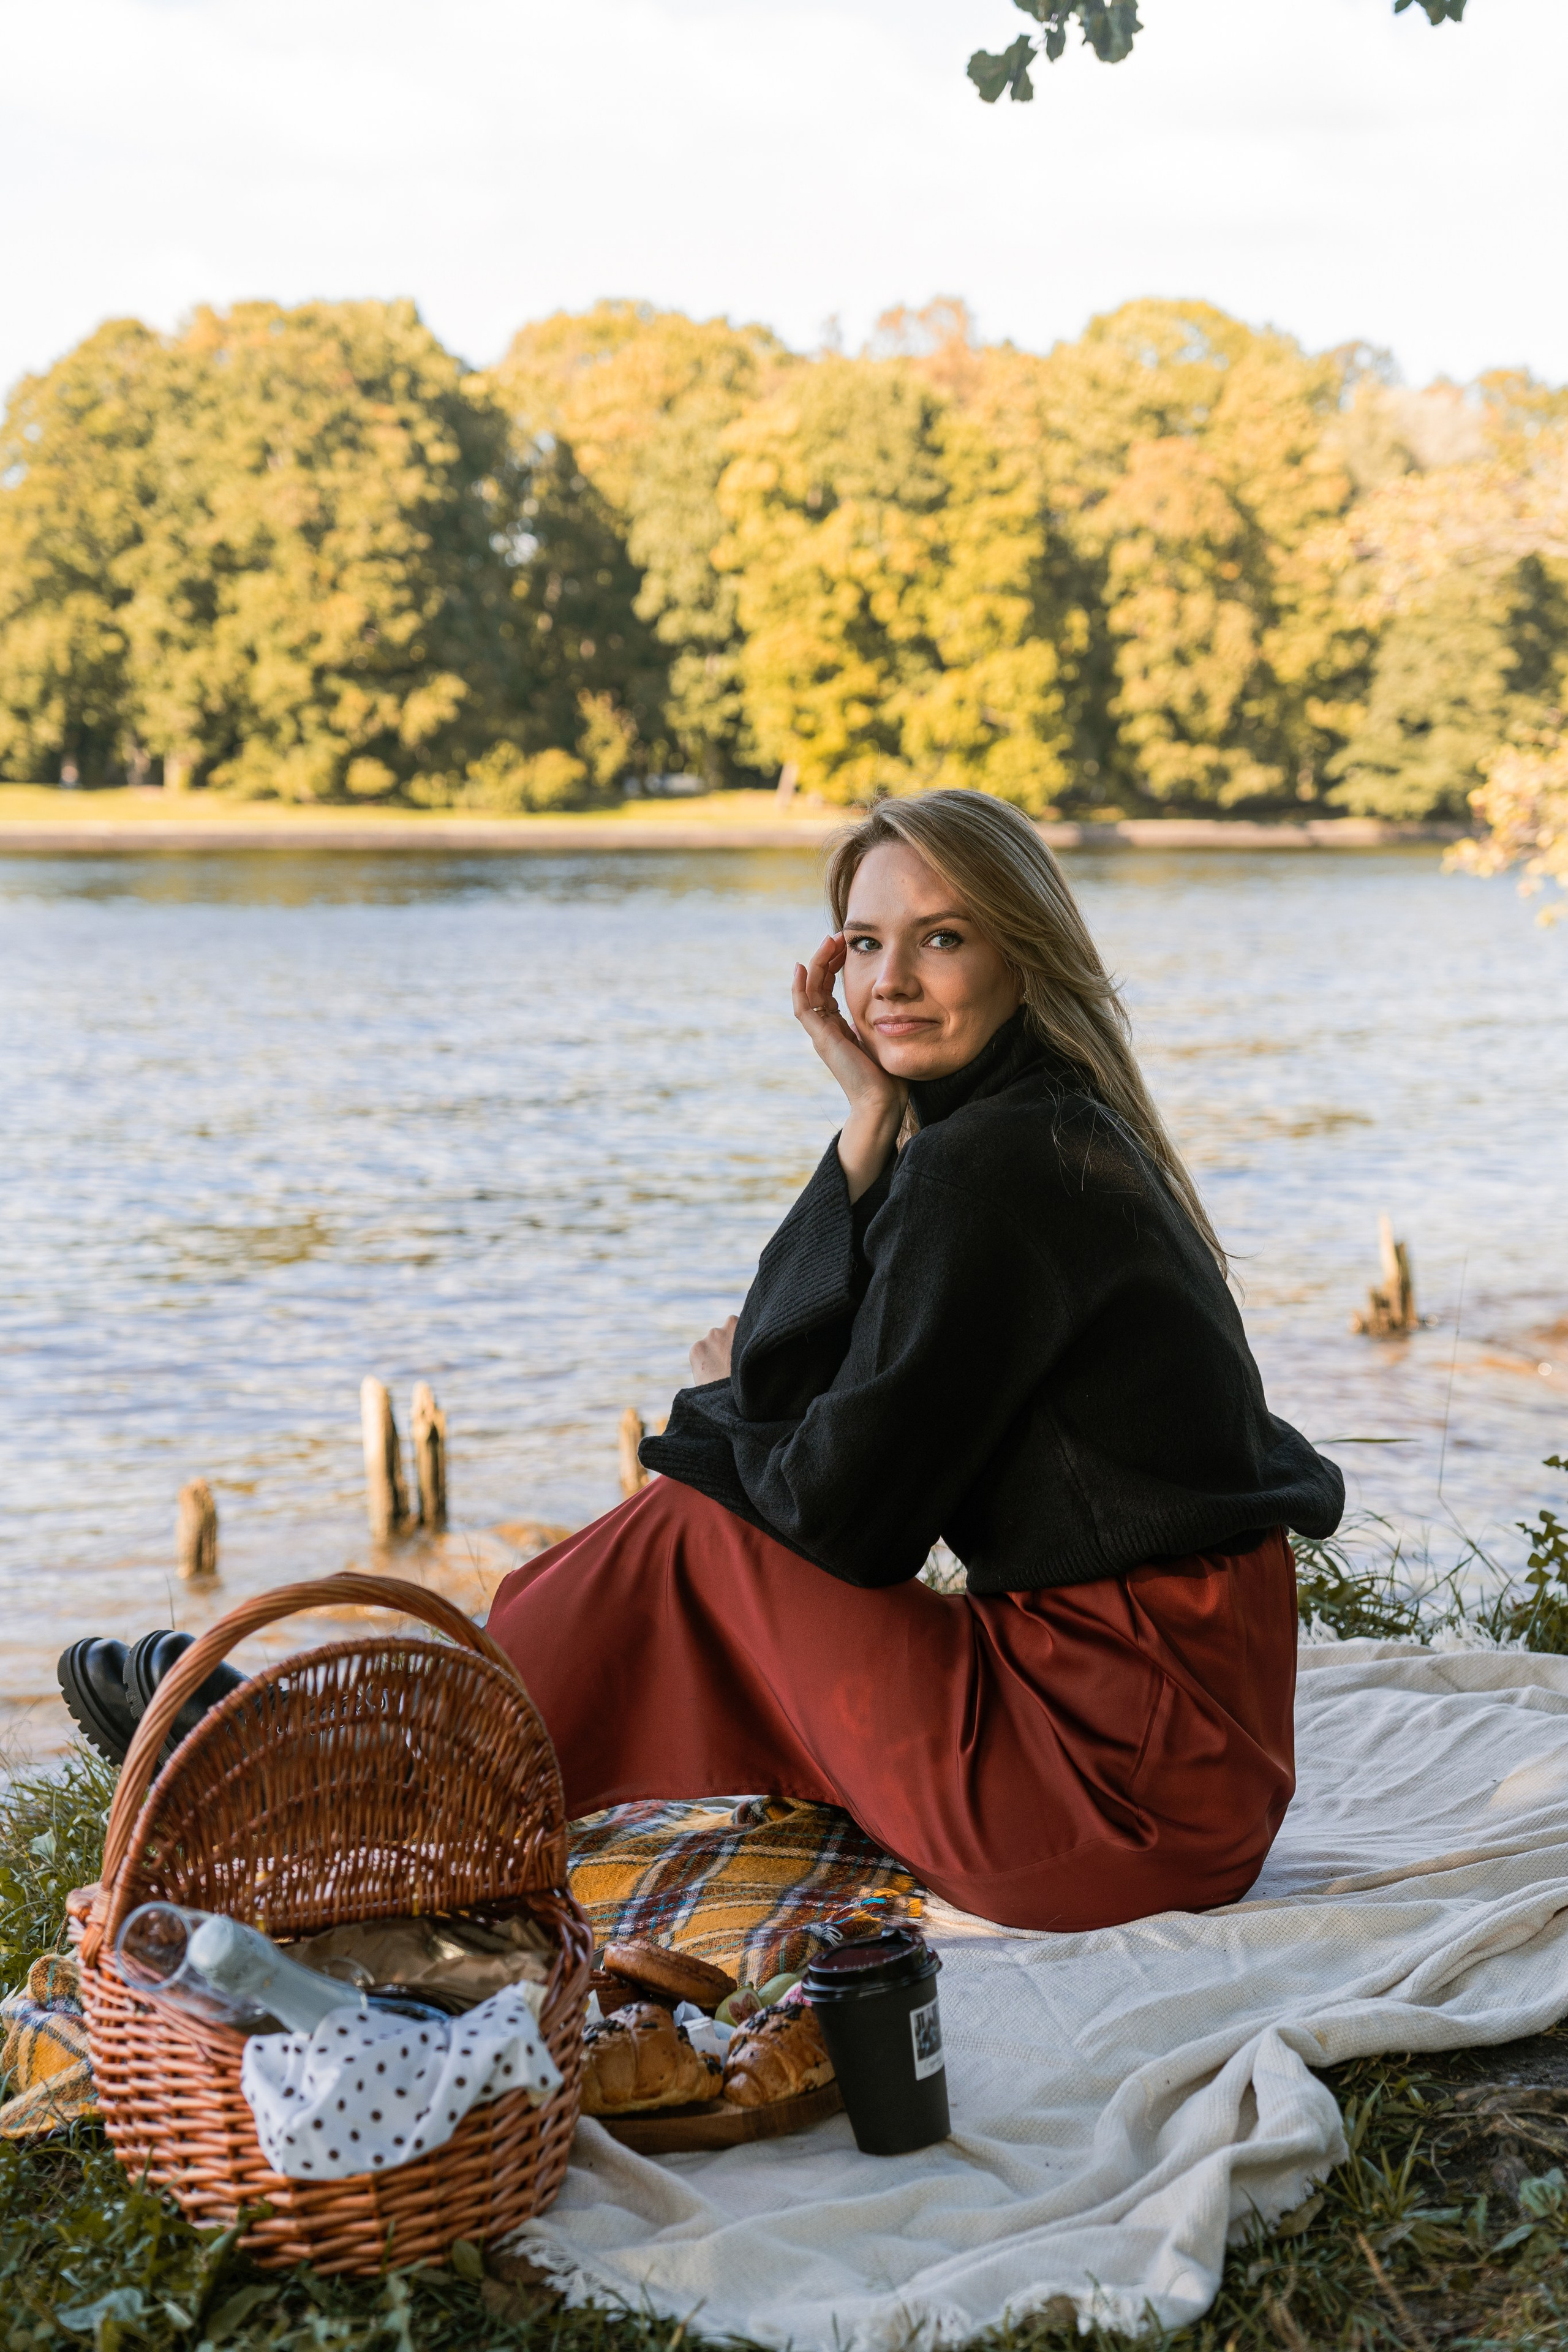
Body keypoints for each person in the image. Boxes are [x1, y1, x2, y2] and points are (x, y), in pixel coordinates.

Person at [484, 791, 1343, 1931]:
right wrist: (865, 1116)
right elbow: (820, 1418)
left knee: (688, 1529)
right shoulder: (1046, 1124)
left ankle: (414, 1776)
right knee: (673, 1530)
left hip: (1111, 1794)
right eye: (864, 943)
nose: (889, 982)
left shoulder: (982, 1170)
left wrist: (716, 1408)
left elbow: (842, 1521)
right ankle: (427, 1744)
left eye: (942, 938)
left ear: (1022, 959)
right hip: (1195, 1774)